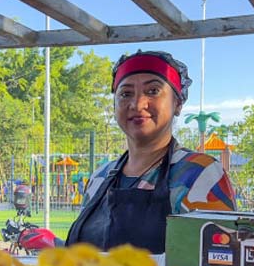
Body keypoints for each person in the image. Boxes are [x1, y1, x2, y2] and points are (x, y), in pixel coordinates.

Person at [66, 50, 235, 253]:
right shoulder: (99, 178)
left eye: (153, 91)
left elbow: (220, 259)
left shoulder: (199, 174)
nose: (138, 104)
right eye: (126, 94)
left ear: (178, 103)